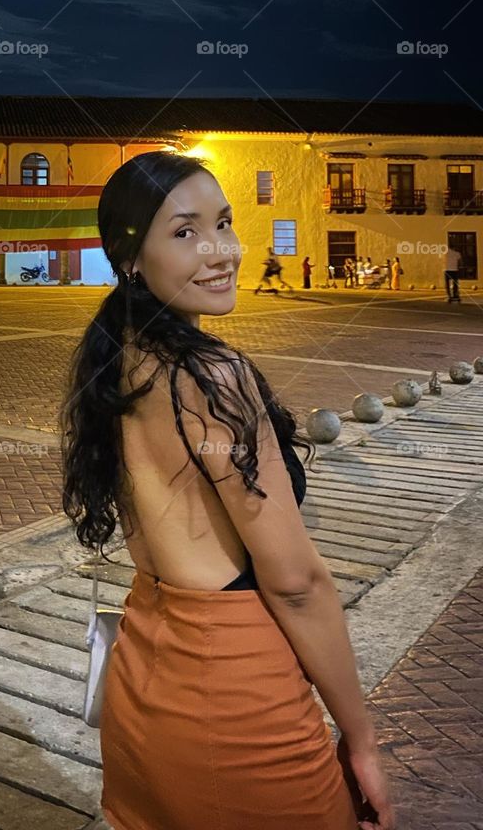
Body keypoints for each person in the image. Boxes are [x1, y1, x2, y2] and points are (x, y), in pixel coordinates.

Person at [59, 151, 395, 830]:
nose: (220, 252)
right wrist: (361, 739)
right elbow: (296, 583)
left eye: (224, 224)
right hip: (238, 706)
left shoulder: (115, 355)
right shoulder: (215, 376)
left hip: (143, 688)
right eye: (184, 233)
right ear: (130, 257)